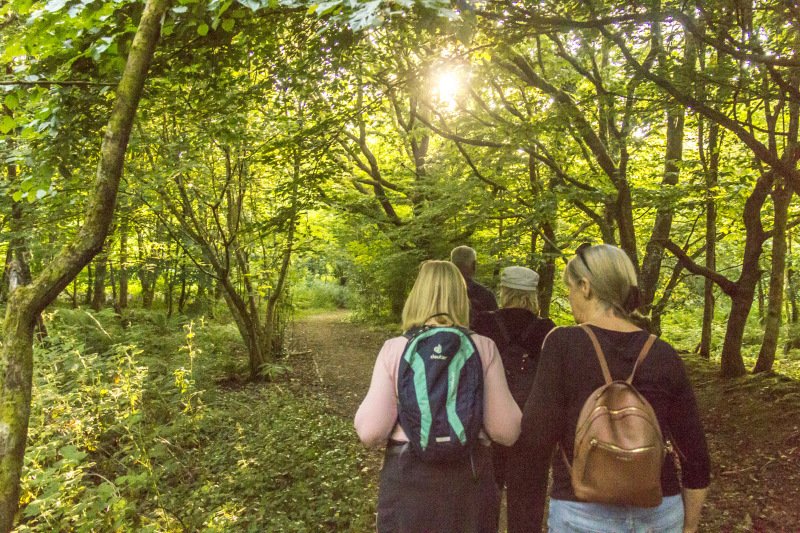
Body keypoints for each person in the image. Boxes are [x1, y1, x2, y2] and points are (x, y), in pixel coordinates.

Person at [521, 244, 711, 533]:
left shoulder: (562, 344)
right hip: (658, 512)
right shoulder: (663, 353)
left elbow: (535, 439)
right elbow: (695, 456)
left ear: (586, 287)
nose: (569, 298)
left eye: (569, 288)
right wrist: (688, 527)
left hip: (582, 512)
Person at [354, 260, 521, 533]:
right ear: (461, 298)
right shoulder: (483, 347)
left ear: (416, 296)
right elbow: (507, 431)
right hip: (469, 485)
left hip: (409, 484)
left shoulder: (395, 349)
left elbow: (370, 432)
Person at [472, 265, 556, 533]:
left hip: (488, 422)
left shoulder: (483, 323)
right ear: (533, 294)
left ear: (504, 291)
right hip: (533, 425)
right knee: (528, 504)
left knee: (485, 499)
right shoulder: (548, 329)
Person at [450, 245, 498, 326]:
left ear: (451, 264)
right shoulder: (486, 295)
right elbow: (496, 327)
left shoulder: (440, 291)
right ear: (473, 265)